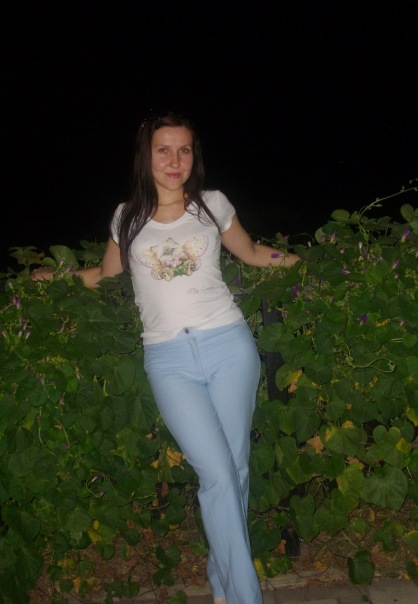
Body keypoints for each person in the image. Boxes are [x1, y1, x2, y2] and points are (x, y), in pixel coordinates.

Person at [32, 112, 300, 604]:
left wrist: (305, 265)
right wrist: (55, 280)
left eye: (184, 150)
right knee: (217, 474)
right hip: (169, 359)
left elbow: (252, 252)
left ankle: (223, 583)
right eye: (163, 150)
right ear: (146, 156)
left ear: (194, 156)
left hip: (229, 345)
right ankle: (245, 595)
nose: (175, 161)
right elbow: (105, 275)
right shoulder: (127, 217)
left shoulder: (213, 205)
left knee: (235, 471)